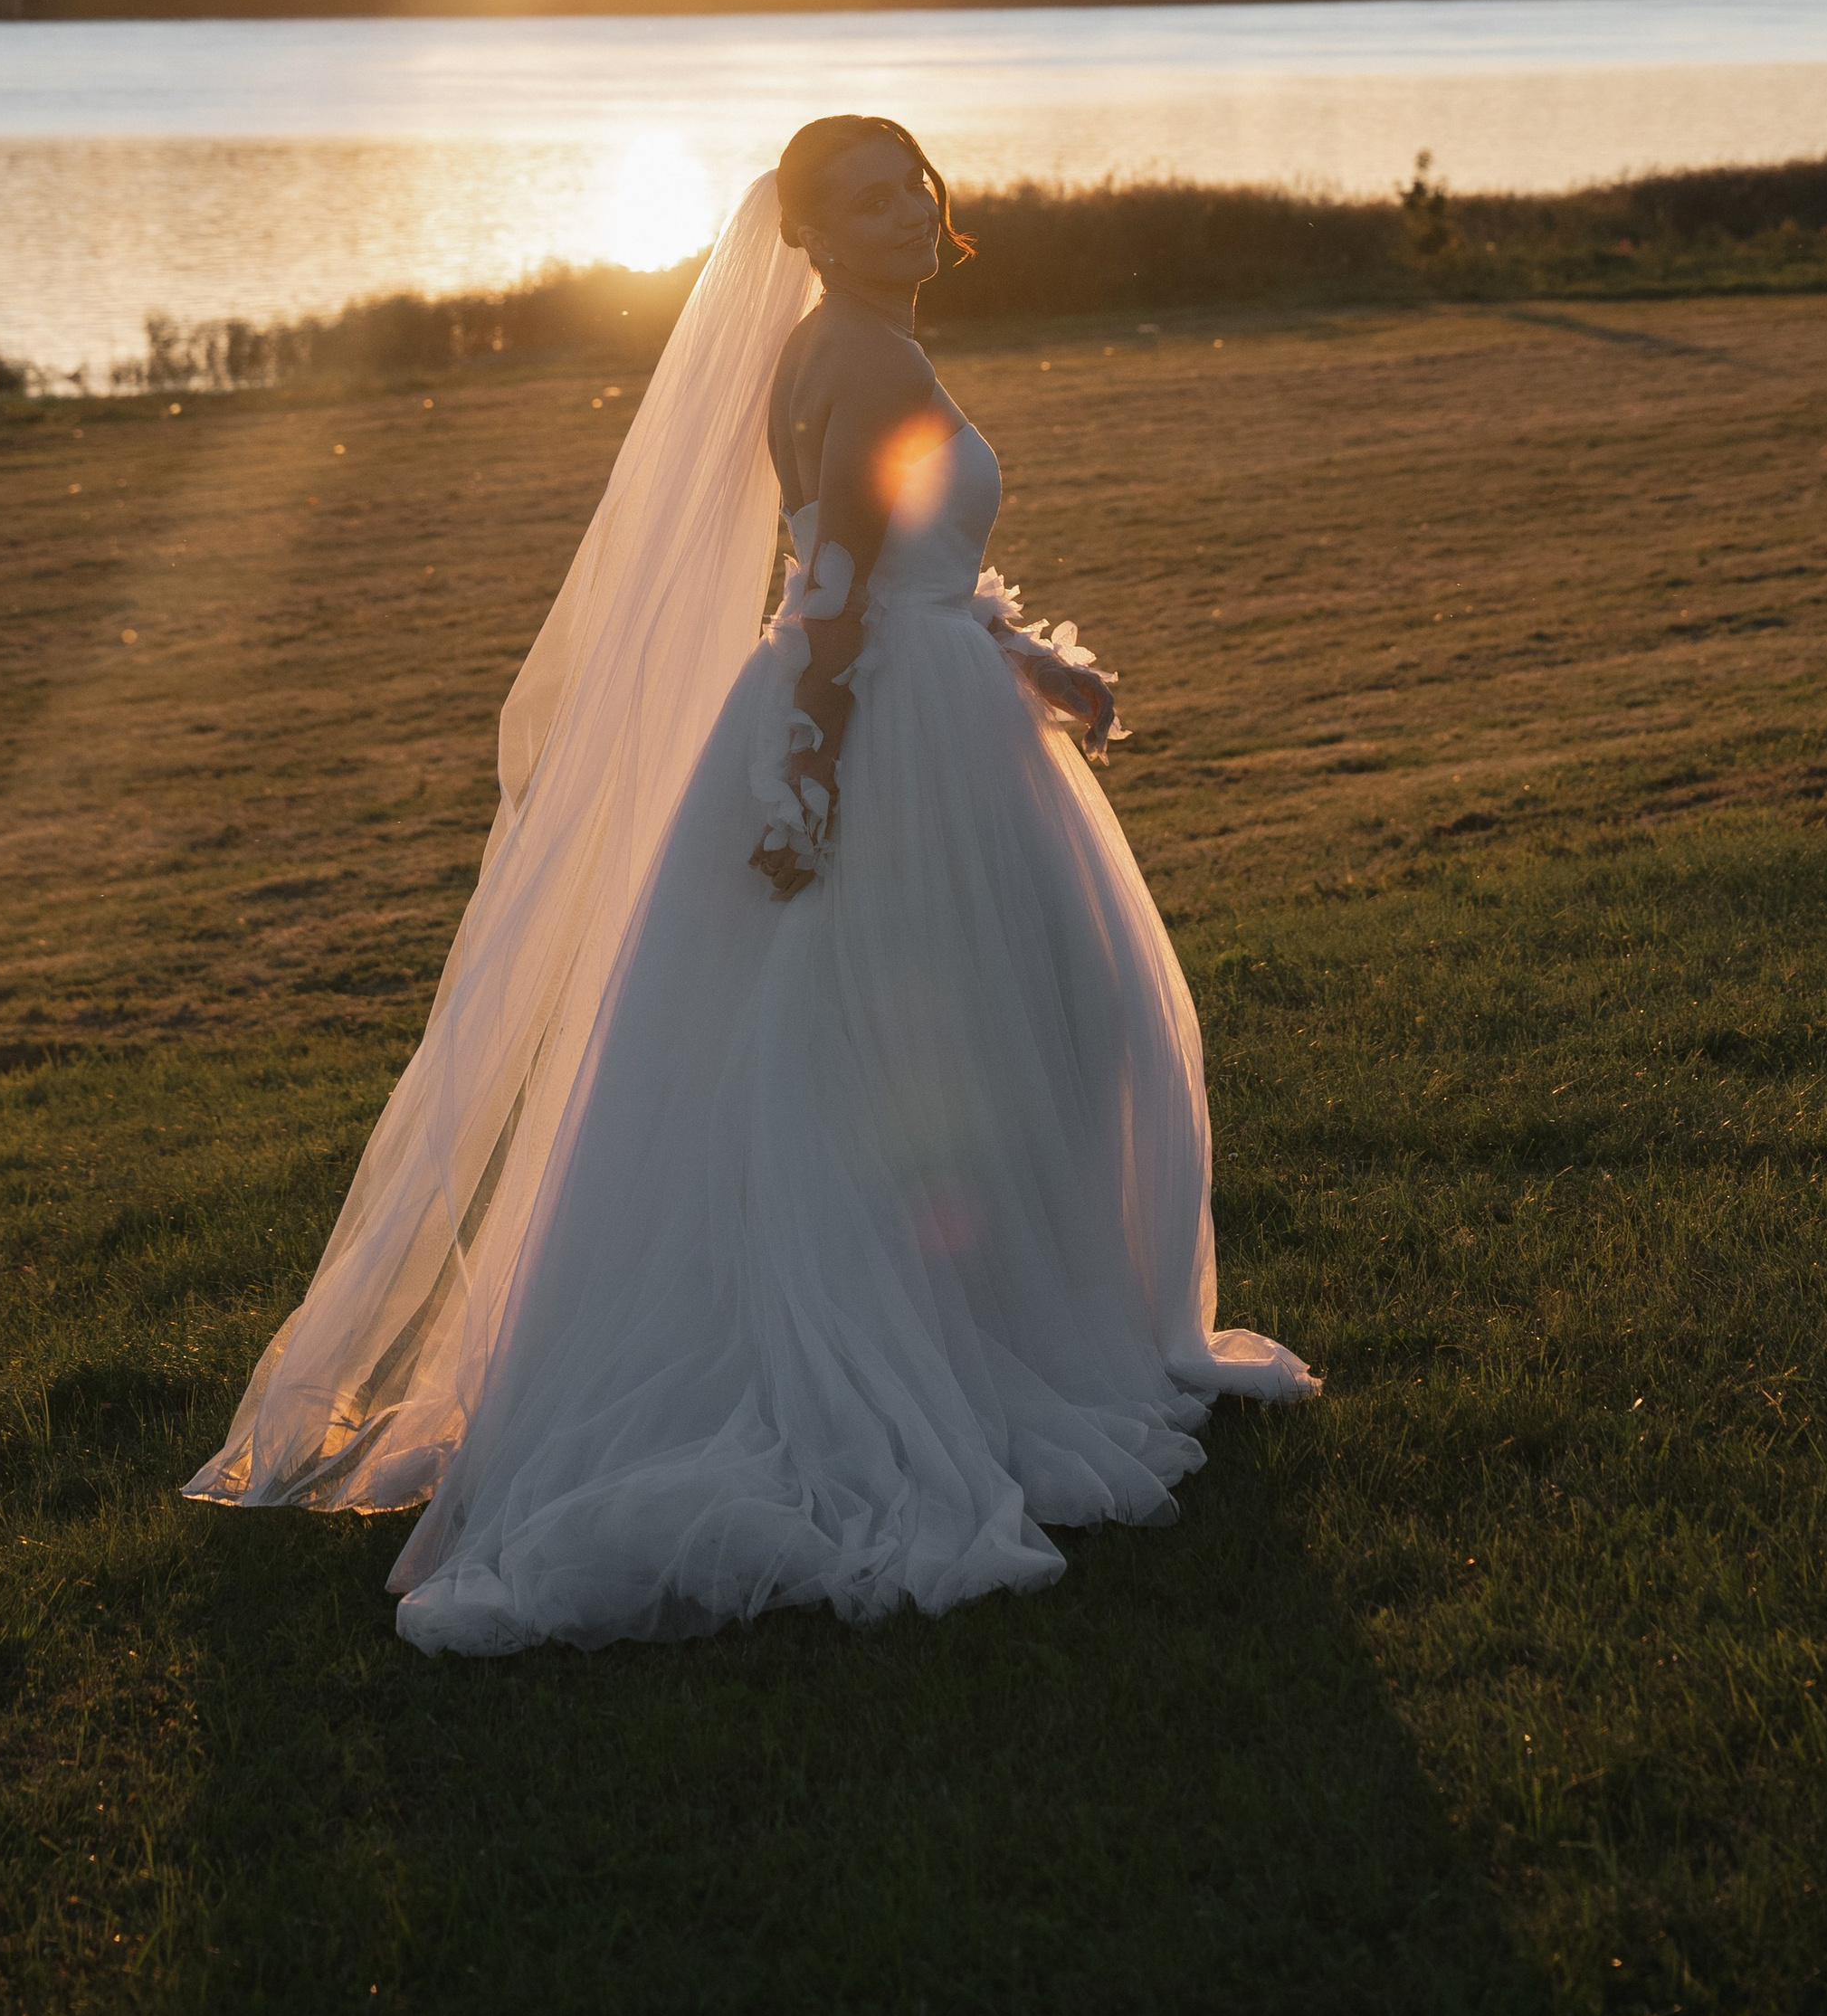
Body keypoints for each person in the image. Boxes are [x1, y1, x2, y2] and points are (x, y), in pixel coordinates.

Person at [186, 118, 1315, 1650]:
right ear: (810, 233)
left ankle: (984, 1326)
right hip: (887, 738)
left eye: (913, 183)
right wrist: (811, 779)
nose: (905, 212)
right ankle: (939, 1366)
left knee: (937, 1048)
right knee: (968, 1044)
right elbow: (840, 599)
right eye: (864, 200)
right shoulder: (862, 362)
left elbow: (881, 571)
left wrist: (1022, 658)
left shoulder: (846, 348)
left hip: (910, 699)